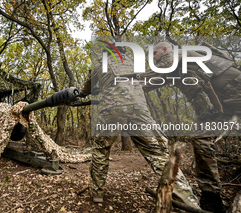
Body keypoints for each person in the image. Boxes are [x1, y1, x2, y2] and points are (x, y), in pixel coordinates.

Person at [80, 44, 201, 209]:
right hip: (139, 110)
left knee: (101, 151)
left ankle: (97, 195)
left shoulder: (99, 65)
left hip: (111, 110)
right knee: (158, 154)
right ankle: (189, 202)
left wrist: (86, 90)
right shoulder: (133, 62)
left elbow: (86, 89)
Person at [135, 41, 240, 212]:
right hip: (224, 105)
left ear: (165, 50)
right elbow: (146, 85)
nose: (153, 59)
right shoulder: (173, 69)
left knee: (201, 137)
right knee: (200, 138)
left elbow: (149, 76)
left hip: (234, 93)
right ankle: (211, 198)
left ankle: (211, 197)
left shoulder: (177, 55)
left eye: (154, 54)